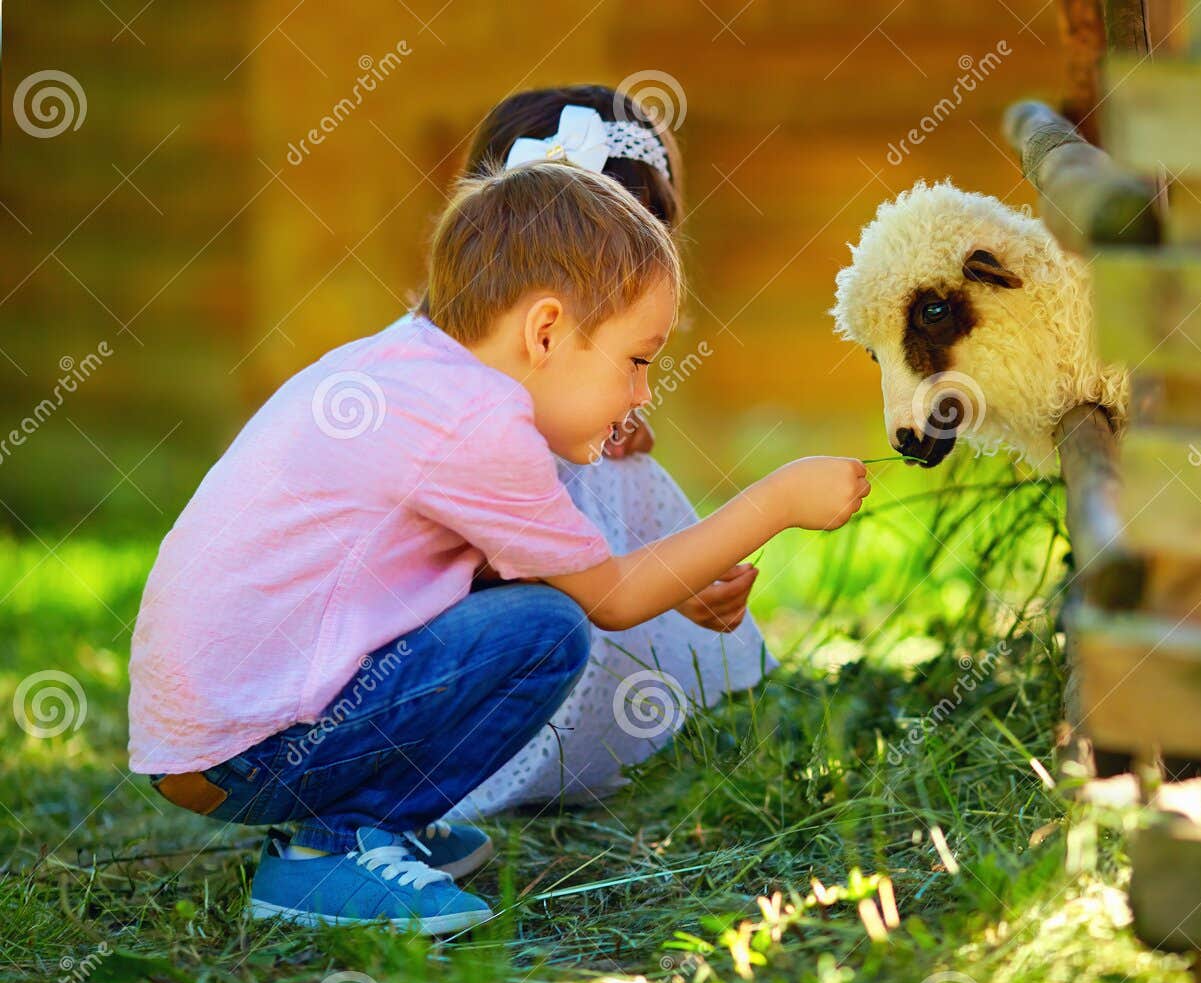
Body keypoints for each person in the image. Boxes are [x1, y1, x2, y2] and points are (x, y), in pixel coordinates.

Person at [128, 160, 869, 932]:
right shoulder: (476, 424)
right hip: (248, 749)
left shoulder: (416, 370)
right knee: (546, 632)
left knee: (531, 608)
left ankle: (368, 820)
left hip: (213, 740)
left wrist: (679, 581)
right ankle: (331, 848)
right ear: (545, 331)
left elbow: (528, 567)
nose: (644, 393)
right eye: (637, 361)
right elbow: (610, 598)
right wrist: (779, 499)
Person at [440, 85, 778, 817]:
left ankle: (638, 720)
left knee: (619, 470)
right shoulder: (449, 405)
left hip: (539, 621)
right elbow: (485, 564)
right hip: (432, 683)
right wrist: (682, 572)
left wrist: (600, 430)